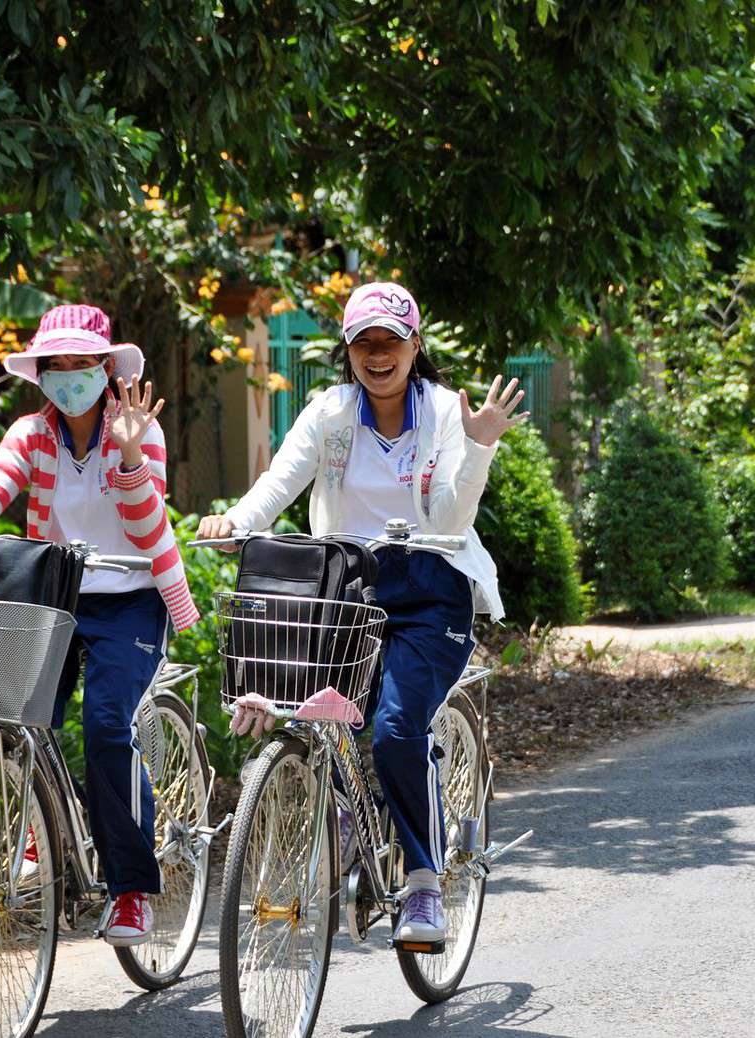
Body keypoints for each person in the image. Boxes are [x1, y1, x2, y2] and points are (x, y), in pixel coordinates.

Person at [197, 282, 526, 943]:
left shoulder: (442, 413)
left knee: (399, 728)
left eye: (391, 341)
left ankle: (425, 883)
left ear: (414, 346)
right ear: (349, 351)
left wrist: (481, 445)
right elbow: (279, 481)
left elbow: (455, 518)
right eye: (364, 342)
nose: (379, 354)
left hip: (432, 586)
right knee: (313, 714)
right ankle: (353, 826)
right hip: (345, 587)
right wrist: (236, 519)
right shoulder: (330, 413)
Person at [0, 303, 200, 946]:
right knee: (17, 712)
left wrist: (126, 456)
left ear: (104, 367)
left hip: (132, 598)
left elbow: (151, 527)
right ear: (40, 374)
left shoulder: (139, 429)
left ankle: (129, 889)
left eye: (80, 364)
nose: (69, 377)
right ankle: (42, 825)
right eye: (55, 366)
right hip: (57, 596)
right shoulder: (31, 434)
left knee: (106, 723)